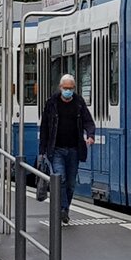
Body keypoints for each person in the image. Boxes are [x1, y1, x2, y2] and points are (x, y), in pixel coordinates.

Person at [38, 74, 96, 225]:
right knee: (60, 179)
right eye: (66, 88)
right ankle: (62, 209)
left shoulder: (79, 103)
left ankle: (65, 209)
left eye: (71, 88)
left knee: (71, 183)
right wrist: (42, 150)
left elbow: (88, 121)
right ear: (60, 87)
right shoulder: (51, 103)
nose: (68, 91)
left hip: (74, 149)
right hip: (56, 149)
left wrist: (90, 135)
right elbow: (44, 127)